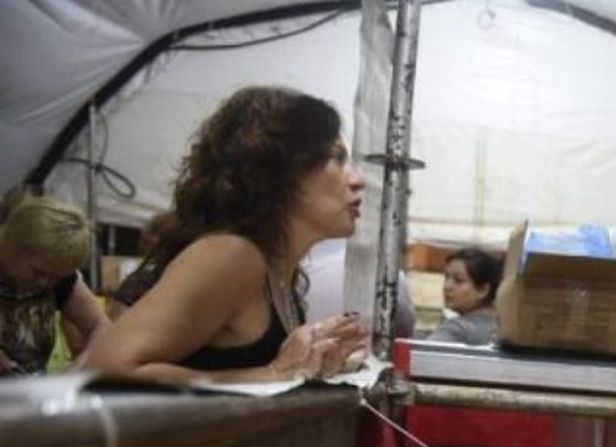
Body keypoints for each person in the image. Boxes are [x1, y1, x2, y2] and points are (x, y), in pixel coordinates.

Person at [81, 86, 367, 383]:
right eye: (336, 158)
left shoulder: (277, 272)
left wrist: (312, 365)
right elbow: (103, 367)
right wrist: (268, 374)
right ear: (283, 171)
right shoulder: (232, 254)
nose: (358, 180)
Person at [0, 192, 110, 374]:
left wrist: (83, 362)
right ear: (9, 246)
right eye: (38, 271)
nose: (45, 283)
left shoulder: (60, 278)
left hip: (28, 392)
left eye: (56, 277)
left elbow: (101, 326)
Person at [430, 247, 500, 345]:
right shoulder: (505, 329)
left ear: (483, 290)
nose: (447, 286)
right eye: (446, 277)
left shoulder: (457, 329)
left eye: (459, 280)